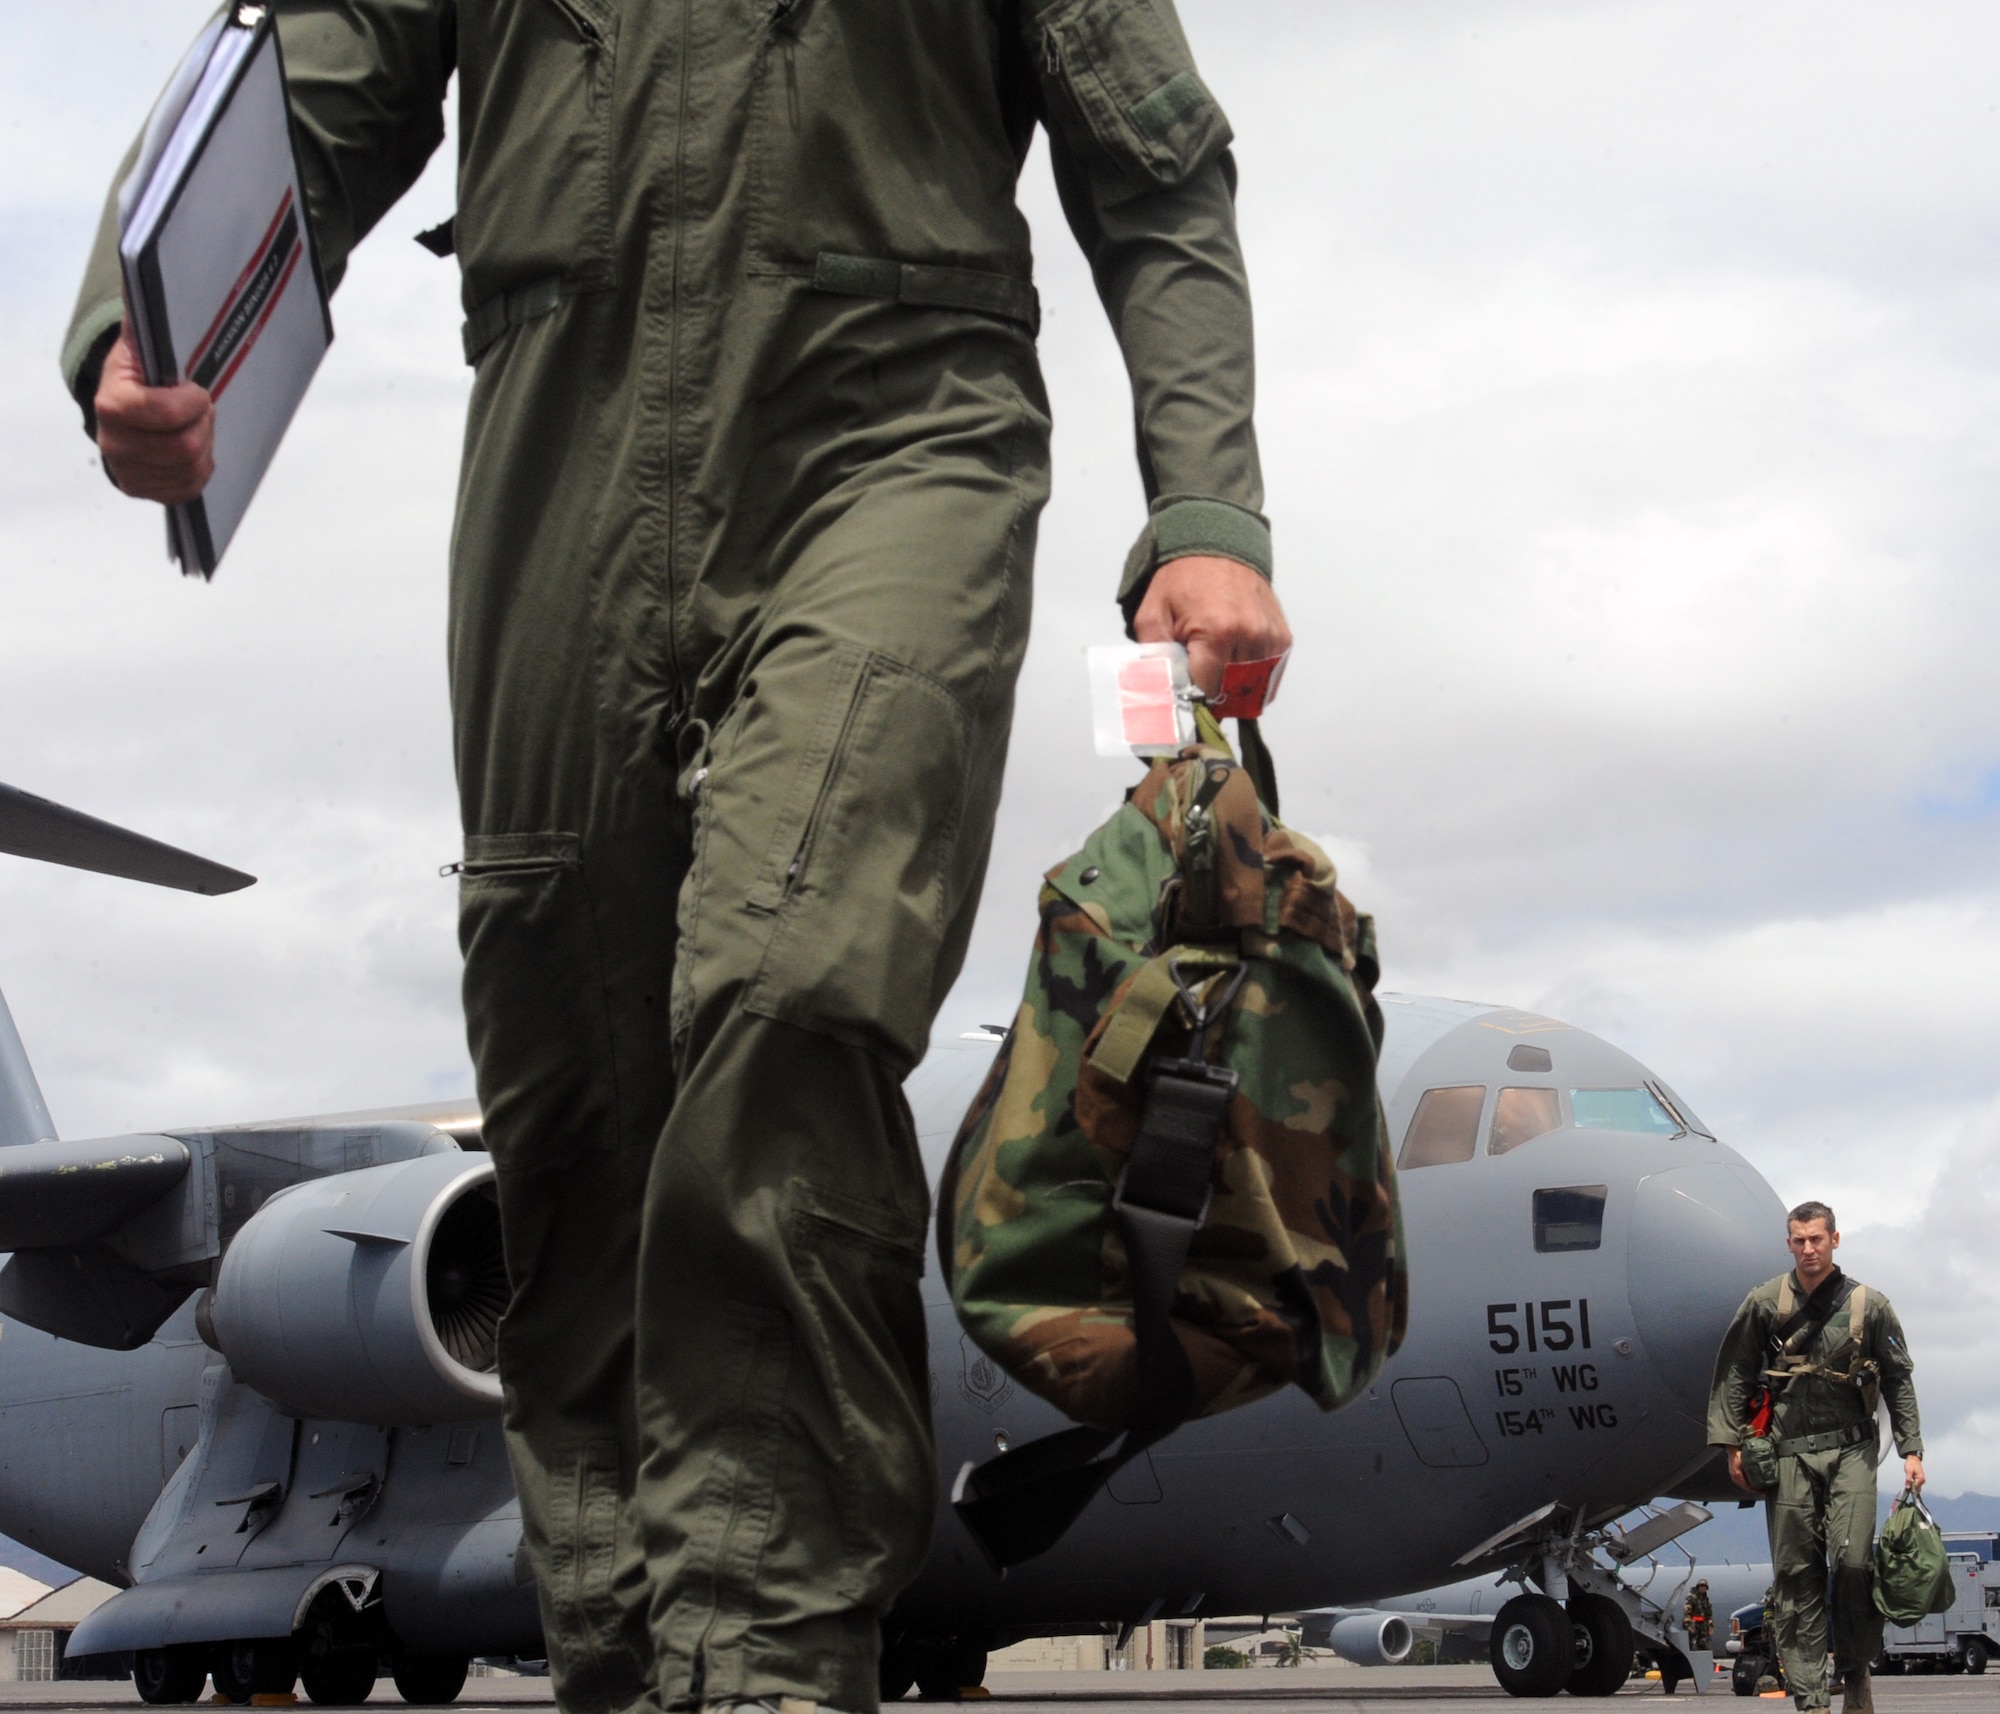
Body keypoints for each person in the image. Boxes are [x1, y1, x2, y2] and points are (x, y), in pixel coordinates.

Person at [62, 8, 1291, 1714]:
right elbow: (308, 89)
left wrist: (1207, 509)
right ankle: (630, 1660)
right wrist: (141, 331)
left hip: (895, 433)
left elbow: (1156, 167)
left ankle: (771, 1658)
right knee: (576, 1099)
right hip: (559, 452)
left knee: (795, 979)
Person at [1708, 1203, 1923, 1714]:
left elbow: (1898, 1377)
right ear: (1789, 1244)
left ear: (1835, 1241)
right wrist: (1732, 1444)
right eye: (1799, 1240)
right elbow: (1735, 1371)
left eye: (1817, 1239)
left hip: (1851, 1449)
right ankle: (1810, 1700)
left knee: (1852, 1563)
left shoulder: (1869, 1306)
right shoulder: (1765, 1303)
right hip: (1787, 1457)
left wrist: (1911, 1449)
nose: (1809, 1248)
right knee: (1795, 1575)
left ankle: (1855, 1673)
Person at [1684, 1580, 1711, 1653]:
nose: (1702, 1588)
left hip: (1703, 1626)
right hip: (1694, 1625)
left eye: (1704, 1587)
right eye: (1701, 1586)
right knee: (1693, 1645)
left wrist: (1710, 1626)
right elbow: (1687, 1612)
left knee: (1703, 1644)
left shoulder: (1706, 1599)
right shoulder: (1692, 1597)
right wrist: (1688, 1625)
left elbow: (1709, 1613)